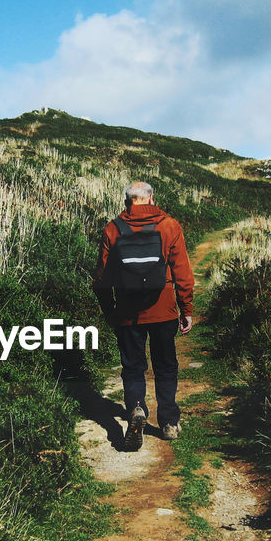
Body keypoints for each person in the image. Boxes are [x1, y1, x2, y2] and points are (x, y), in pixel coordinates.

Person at [93, 181, 194, 451]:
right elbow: (183, 273)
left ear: (127, 201)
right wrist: (186, 310)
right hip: (163, 310)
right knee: (166, 365)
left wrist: (110, 311)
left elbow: (101, 279)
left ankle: (137, 408)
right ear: (151, 198)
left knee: (133, 367)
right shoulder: (169, 225)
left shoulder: (112, 229)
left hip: (128, 313)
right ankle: (169, 422)